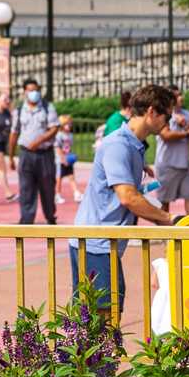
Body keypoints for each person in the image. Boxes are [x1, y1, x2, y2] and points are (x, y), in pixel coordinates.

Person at [71, 84, 179, 319]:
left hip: (105, 242)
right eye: (167, 115)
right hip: (95, 242)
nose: (168, 122)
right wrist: (168, 218)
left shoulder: (134, 146)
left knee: (107, 315)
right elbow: (128, 197)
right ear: (152, 111)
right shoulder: (118, 144)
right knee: (97, 319)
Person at [9, 78, 59, 224]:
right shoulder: (19, 111)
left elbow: (55, 128)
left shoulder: (47, 107)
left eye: (36, 90)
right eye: (30, 90)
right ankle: (26, 220)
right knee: (26, 188)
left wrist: (39, 141)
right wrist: (11, 156)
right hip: (25, 154)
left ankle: (50, 217)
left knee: (48, 187)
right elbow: (14, 133)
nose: (34, 93)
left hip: (45, 154)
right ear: (25, 92)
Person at [154, 86, 189, 215]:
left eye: (181, 94)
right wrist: (186, 132)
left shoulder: (187, 114)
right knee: (164, 202)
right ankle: (163, 234)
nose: (181, 97)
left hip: (185, 165)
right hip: (167, 166)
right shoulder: (164, 114)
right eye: (178, 95)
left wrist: (185, 125)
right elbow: (166, 135)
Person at [55, 115, 80, 204]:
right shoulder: (59, 135)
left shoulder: (70, 135)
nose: (69, 126)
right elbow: (57, 148)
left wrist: (70, 157)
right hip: (60, 161)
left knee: (71, 176)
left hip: (68, 159)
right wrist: (63, 159)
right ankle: (57, 195)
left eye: (70, 124)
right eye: (67, 124)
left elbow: (69, 147)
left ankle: (76, 193)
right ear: (62, 125)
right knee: (59, 178)